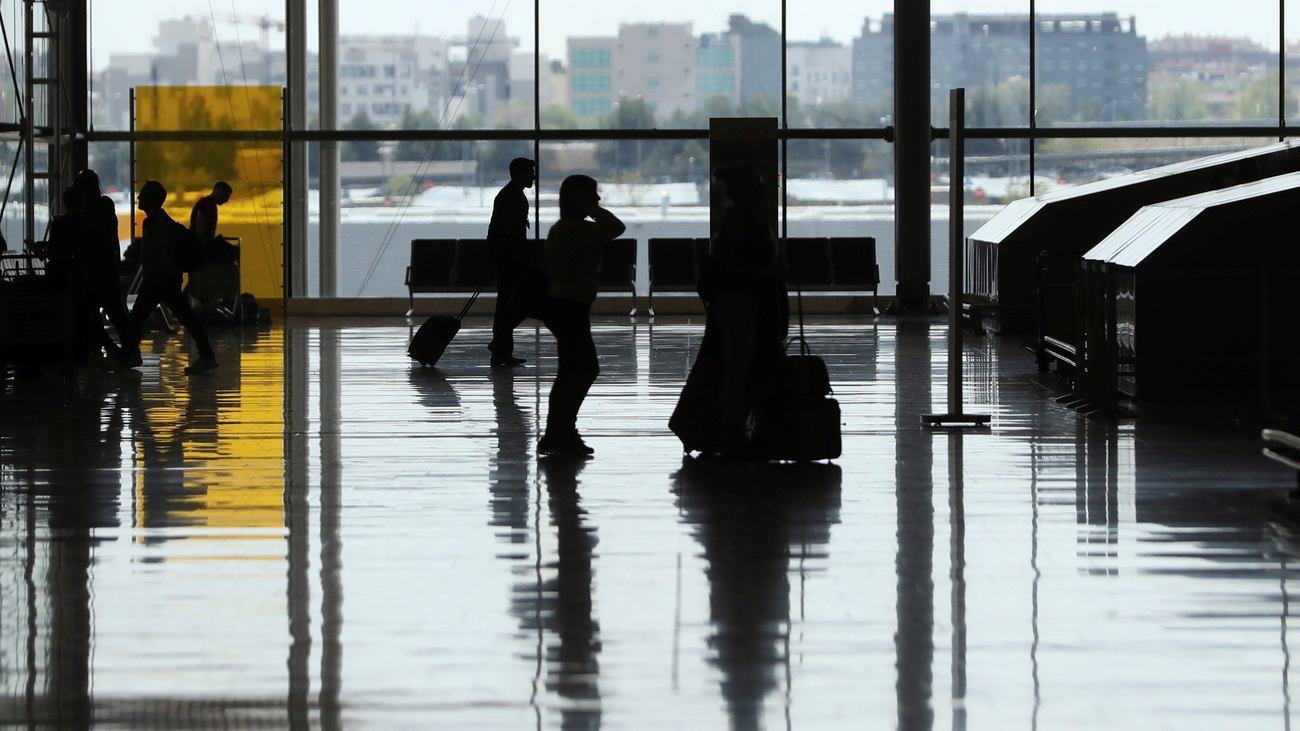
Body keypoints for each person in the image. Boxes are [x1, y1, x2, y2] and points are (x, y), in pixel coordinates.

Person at [671, 166, 787, 456]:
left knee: (734, 366)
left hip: (735, 301)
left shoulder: (734, 219)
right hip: (743, 302)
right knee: (739, 369)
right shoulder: (743, 220)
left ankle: (730, 429)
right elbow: (744, 264)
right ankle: (732, 431)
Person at [538, 175, 625, 457]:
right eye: (592, 195)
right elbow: (616, 227)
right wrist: (591, 209)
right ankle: (560, 432)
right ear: (578, 198)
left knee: (571, 371)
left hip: (565, 306)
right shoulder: (578, 230)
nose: (598, 200)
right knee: (582, 370)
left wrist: (585, 206)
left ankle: (559, 432)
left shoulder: (562, 227)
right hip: (570, 308)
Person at [121, 181, 219, 375]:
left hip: (160, 280)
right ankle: (207, 356)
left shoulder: (158, 223)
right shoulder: (155, 221)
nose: (139, 198)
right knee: (184, 317)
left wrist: (158, 277)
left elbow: (164, 253)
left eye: (143, 195)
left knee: (139, 317)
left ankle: (130, 355)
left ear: (153, 200)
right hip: (163, 280)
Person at [71, 170, 132, 366]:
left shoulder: (86, 212)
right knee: (116, 313)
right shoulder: (106, 205)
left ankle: (102, 349)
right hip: (109, 267)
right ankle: (129, 351)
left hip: (92, 270)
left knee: (89, 311)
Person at [487, 158, 540, 367]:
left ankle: (500, 348)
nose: (534, 176)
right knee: (520, 303)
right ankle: (500, 345)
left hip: (507, 260)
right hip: (511, 261)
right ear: (520, 174)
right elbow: (506, 234)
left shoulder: (510, 195)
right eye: (530, 172)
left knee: (507, 306)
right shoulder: (512, 197)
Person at [190, 181, 238, 263]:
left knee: (234, 250)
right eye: (226, 196)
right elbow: (200, 221)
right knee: (232, 252)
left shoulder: (210, 203)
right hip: (199, 242)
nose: (227, 200)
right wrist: (203, 242)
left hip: (205, 241)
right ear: (219, 192)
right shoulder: (207, 203)